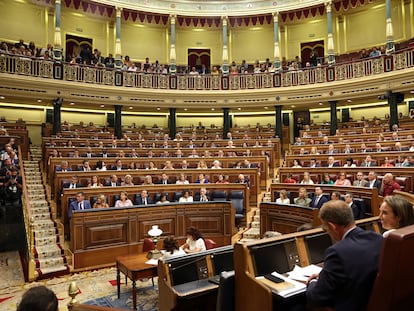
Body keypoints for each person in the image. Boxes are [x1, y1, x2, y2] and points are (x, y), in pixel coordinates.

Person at [306, 200, 383, 311]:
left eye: (325, 228)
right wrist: (325, 275)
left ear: (333, 226)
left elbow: (317, 297)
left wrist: (313, 282)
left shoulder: (336, 252)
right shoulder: (377, 238)